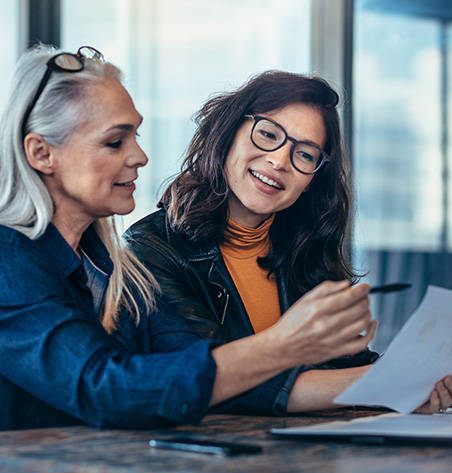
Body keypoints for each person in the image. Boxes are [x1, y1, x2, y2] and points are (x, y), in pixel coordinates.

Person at [0, 45, 386, 431]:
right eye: (115, 142)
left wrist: (403, 379)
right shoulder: (10, 259)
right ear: (41, 153)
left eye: (136, 135)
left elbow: (198, 374)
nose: (140, 157)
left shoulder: (112, 267)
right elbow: (107, 388)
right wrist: (284, 344)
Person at [124, 70, 452, 413]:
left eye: (304, 154)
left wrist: (415, 387)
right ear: (228, 133)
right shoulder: (150, 249)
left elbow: (344, 366)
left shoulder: (304, 247)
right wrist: (389, 381)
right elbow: (214, 380)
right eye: (267, 134)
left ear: (312, 181)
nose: (278, 161)